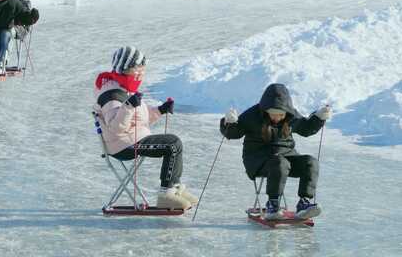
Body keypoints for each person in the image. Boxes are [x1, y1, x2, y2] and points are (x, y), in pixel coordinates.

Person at [94, 46, 198, 210]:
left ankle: (174, 189)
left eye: (142, 69)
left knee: (174, 144)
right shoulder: (112, 95)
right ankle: (166, 194)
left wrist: (160, 110)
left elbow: (140, 118)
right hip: (123, 145)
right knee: (172, 144)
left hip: (132, 138)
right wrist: (128, 106)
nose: (141, 73)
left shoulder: (125, 88)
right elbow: (116, 128)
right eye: (138, 69)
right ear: (125, 69)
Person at [220, 83, 331, 220]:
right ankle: (272, 204)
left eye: (280, 115)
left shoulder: (291, 115)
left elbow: (306, 129)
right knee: (279, 162)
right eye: (273, 114)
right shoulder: (253, 115)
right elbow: (233, 133)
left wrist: (318, 118)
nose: (277, 118)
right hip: (258, 159)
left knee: (310, 162)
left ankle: (304, 203)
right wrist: (229, 122)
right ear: (266, 110)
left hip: (286, 157)